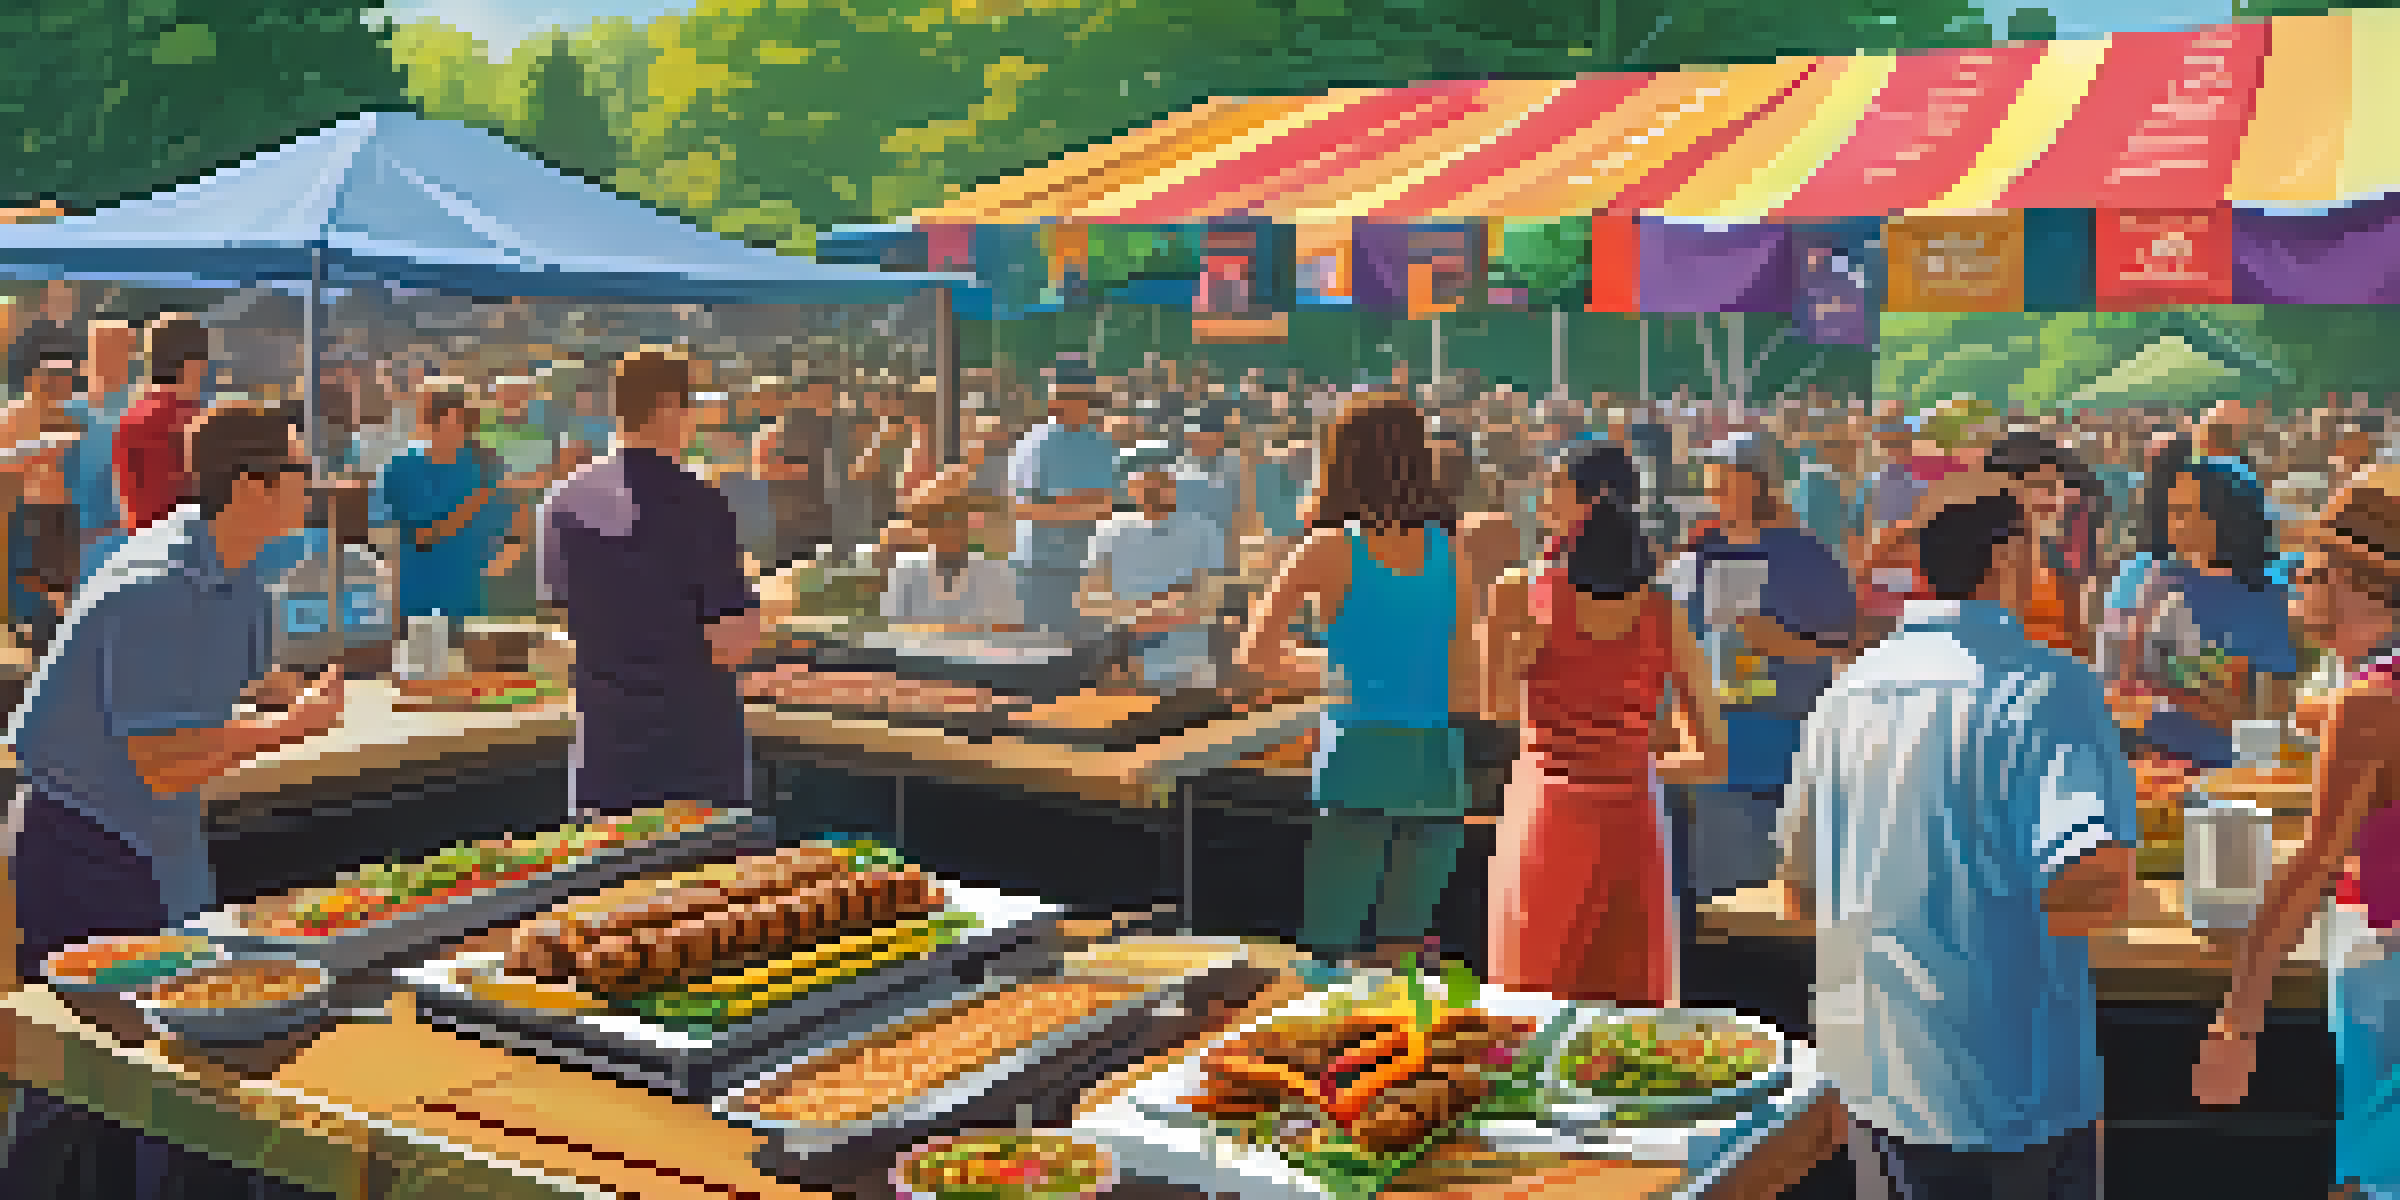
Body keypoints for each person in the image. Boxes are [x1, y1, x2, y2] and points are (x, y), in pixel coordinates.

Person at [1, 406, 343, 1200]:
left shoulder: (236, 578)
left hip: (160, 849)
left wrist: (287, 695)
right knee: (83, 1084)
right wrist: (287, 729)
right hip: (89, 847)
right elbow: (162, 760)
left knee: (169, 1085)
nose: (313, 488)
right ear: (253, 486)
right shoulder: (155, 585)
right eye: (301, 474)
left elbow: (246, 679)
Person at [1780, 470, 2137, 1200]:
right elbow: (2096, 878)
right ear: (2006, 559)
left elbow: (1800, 892)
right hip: (2010, 1091)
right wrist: (1977, 928)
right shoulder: (2050, 690)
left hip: (1871, 1082)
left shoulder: (1845, 695)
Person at [2196, 467, 2400, 1199]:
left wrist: (2237, 1023)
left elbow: (2311, 866)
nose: (2295, 588)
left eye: (2310, 572)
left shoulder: (2371, 706)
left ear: (2358, 582)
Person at [1237, 391, 1483, 970]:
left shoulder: (1328, 547)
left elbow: (1255, 656)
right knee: (1403, 956)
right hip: (1437, 765)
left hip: (1358, 761)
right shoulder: (1450, 549)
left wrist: (1337, 673)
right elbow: (1466, 679)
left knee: (1327, 950)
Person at [1482, 441, 1724, 1005]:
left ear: (1591, 503)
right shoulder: (1662, 610)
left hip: (1546, 814)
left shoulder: (1522, 591)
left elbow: (1494, 708)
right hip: (1632, 819)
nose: (1544, 498)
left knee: (1530, 1012)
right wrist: (1632, 756)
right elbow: (1712, 756)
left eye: (1556, 487)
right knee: (1630, 1025)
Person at [540, 348, 762, 817]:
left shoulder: (562, 503)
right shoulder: (701, 502)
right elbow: (731, 642)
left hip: (605, 765)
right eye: (689, 406)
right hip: (694, 766)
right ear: (667, 408)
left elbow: (565, 619)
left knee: (610, 890)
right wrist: (762, 605)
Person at [1662, 432, 1855, 915]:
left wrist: (1787, 644)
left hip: (1792, 750)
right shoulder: (1694, 559)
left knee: (1782, 912)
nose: (1712, 490)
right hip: (1716, 752)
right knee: (1719, 909)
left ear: (1755, 483)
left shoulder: (1808, 557)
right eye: (1710, 478)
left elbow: (1849, 647)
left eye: (1722, 477)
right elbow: (1667, 649)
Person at [2099, 450, 2297, 771]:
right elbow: (2112, 686)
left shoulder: (2265, 595)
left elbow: (2271, 716)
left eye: (2186, 511)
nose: (2171, 521)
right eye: (2172, 509)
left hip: (2223, 772)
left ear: (2226, 518)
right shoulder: (2139, 577)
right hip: (2139, 762)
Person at [373, 380, 517, 622]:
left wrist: (501, 560)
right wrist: (482, 495)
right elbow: (424, 536)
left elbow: (511, 527)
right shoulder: (403, 469)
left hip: (473, 602)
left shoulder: (487, 467)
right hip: (419, 602)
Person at [1081, 463, 1227, 693]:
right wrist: (1156, 607)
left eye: (1161, 478)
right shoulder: (1107, 531)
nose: (1153, 486)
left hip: (1188, 668)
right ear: (1130, 485)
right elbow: (1090, 601)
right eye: (1144, 477)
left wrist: (1143, 613)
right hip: (1124, 669)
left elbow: (1212, 601)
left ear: (1174, 483)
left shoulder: (1204, 530)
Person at [1008, 357, 1120, 639]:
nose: (1061, 403)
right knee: (1035, 653)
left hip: (1087, 568)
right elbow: (1023, 509)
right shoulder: (1033, 443)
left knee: (1084, 655)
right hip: (1037, 569)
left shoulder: (1101, 445)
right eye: (1060, 395)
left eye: (1075, 396)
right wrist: (1080, 503)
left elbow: (1105, 507)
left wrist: (1058, 503)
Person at [1984, 430, 2112, 661]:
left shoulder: (2060, 578)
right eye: (2034, 486)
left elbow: (2085, 661)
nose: (2048, 498)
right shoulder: (1977, 578)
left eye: (2053, 486)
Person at [4, 360, 83, 651]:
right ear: (35, 380)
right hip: (30, 511)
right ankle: (34, 639)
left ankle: (56, 639)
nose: (60, 388)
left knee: (61, 584)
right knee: (30, 580)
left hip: (64, 512)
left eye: (65, 382)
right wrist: (38, 449)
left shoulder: (69, 413)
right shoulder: (13, 414)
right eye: (54, 381)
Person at [112, 314, 214, 537]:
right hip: (190, 554)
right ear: (194, 363)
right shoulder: (197, 421)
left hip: (142, 549)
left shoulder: (131, 417)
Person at [881, 488, 1022, 633]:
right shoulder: (906, 571)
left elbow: (1009, 626)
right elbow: (890, 626)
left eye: (955, 519)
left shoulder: (994, 572)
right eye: (938, 521)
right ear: (926, 528)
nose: (948, 529)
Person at [749, 374, 837, 570]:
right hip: (788, 521)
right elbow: (763, 470)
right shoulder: (772, 432)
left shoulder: (813, 428)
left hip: (811, 519)